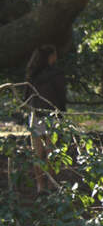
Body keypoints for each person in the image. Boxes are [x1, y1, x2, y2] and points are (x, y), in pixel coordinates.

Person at [24, 44, 66, 195]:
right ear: (50, 57)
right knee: (51, 152)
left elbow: (26, 97)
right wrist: (63, 114)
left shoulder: (32, 75)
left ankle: (40, 186)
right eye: (54, 55)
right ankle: (51, 184)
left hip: (35, 116)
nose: (56, 57)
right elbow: (61, 96)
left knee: (38, 153)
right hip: (52, 117)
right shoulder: (57, 74)